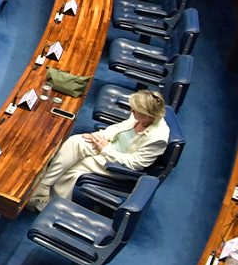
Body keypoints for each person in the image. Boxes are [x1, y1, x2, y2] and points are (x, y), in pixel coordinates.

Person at [30, 90, 167, 211]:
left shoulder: (158, 138)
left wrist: (106, 150)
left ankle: (52, 204)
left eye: (135, 110)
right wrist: (99, 136)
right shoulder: (140, 116)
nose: (131, 111)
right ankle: (44, 184)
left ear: (147, 115)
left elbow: (135, 164)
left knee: (73, 166)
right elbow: (119, 128)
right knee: (74, 141)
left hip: (117, 164)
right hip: (107, 145)